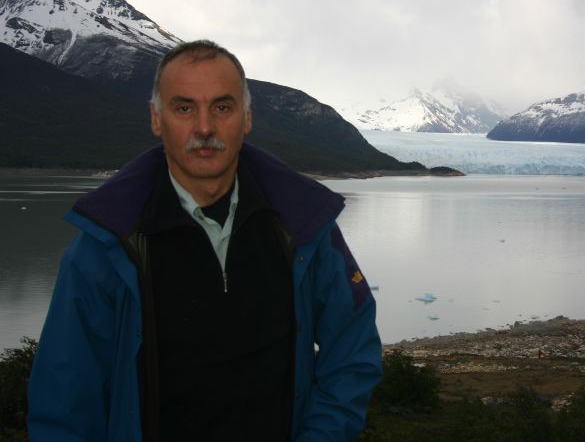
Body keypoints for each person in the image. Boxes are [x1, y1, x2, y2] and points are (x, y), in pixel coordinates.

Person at [27, 40, 382, 441]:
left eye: (222, 107)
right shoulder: (107, 243)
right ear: (156, 119)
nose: (204, 128)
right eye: (184, 108)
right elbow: (65, 395)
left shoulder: (302, 226)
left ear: (246, 118)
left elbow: (352, 348)